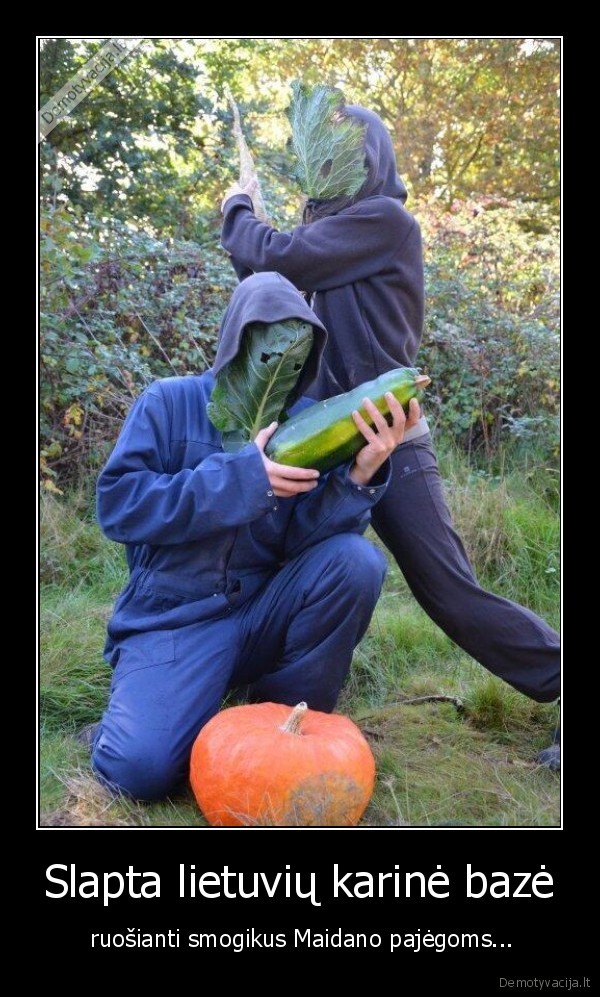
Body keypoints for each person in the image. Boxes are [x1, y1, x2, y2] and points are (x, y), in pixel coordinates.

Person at [220, 100, 560, 768]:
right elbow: (265, 269)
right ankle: (253, 712)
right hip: (321, 441)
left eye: (343, 155)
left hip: (388, 437)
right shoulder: (340, 228)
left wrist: (237, 206)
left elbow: (274, 255)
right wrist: (260, 221)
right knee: (279, 566)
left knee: (446, 591)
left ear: (368, 158)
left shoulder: (385, 222)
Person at [89, 271, 420, 800]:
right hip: (176, 619)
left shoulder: (310, 425)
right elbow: (119, 507)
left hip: (264, 610)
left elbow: (314, 545)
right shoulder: (169, 402)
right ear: (237, 339)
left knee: (355, 562)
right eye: (270, 344)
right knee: (138, 774)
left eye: (298, 352)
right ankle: (141, 716)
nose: (282, 364)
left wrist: (360, 476)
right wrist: (243, 479)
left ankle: (278, 716)